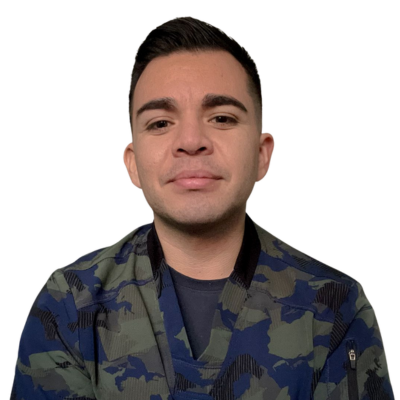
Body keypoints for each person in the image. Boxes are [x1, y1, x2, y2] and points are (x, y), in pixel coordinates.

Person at [11, 16, 394, 400]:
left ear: (261, 155)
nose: (191, 141)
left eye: (222, 118)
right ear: (133, 163)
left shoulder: (333, 308)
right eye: (160, 123)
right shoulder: (71, 306)